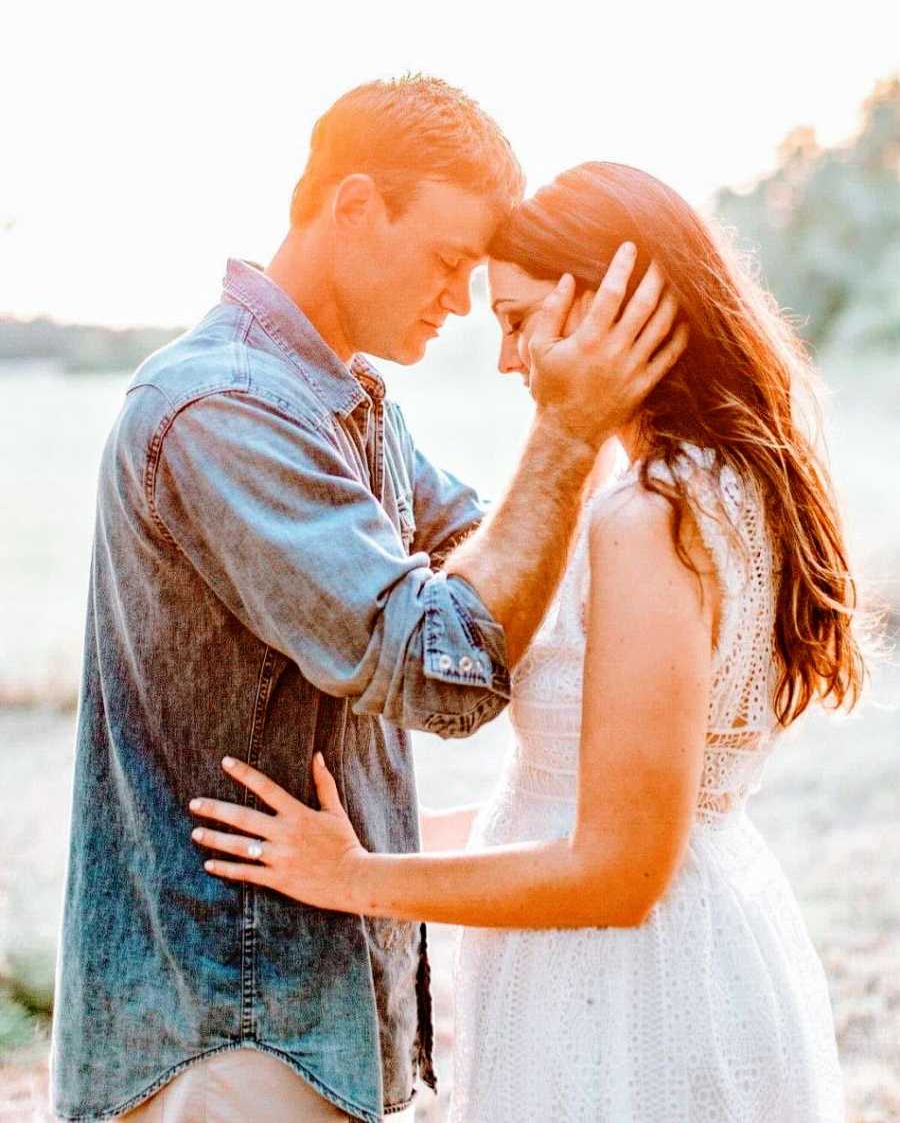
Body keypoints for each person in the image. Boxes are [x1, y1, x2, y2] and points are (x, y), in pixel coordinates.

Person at [50, 86, 685, 1123]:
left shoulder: (342, 402)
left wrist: (678, 508)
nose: (462, 299)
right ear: (353, 208)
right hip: (227, 1024)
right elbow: (442, 672)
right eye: (447, 261)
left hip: (309, 1011)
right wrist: (568, 434)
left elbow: (500, 556)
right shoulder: (225, 409)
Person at [189, 162, 865, 1122]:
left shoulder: (650, 516)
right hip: (674, 954)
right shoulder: (710, 484)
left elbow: (619, 871)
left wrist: (357, 881)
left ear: (617, 307)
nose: (508, 359)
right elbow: (559, 805)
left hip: (632, 997)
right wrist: (379, 848)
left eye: (519, 320)